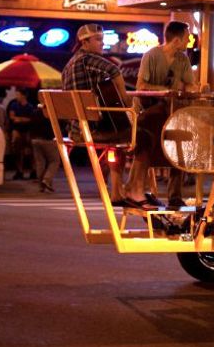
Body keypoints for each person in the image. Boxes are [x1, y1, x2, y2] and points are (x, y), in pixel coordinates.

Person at [61, 24, 151, 209]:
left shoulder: (68, 66)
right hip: (92, 131)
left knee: (119, 136)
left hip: (75, 130)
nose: (103, 43)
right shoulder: (90, 60)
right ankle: (134, 188)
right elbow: (115, 72)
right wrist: (127, 103)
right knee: (144, 137)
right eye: (98, 40)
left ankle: (117, 192)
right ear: (85, 42)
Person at [129, 21, 197, 208]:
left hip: (171, 110)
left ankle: (175, 196)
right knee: (148, 144)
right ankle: (135, 188)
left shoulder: (183, 59)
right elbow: (141, 86)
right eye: (187, 37)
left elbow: (190, 85)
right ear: (176, 40)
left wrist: (192, 88)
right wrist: (166, 91)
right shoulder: (151, 55)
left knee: (181, 141)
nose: (189, 41)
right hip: (149, 111)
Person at [29, 104, 59, 193]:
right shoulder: (51, 113)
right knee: (55, 161)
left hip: (35, 140)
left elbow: (30, 125)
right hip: (48, 140)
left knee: (40, 163)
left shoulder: (35, 112)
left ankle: (41, 186)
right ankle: (47, 179)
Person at [7, 88, 35, 180]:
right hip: (17, 130)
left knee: (31, 152)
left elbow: (31, 119)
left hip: (27, 131)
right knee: (17, 151)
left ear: (24, 96)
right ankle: (19, 171)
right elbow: (12, 117)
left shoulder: (30, 107)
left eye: (18, 94)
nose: (16, 96)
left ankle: (33, 170)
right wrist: (24, 119)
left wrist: (19, 119)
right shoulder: (14, 105)